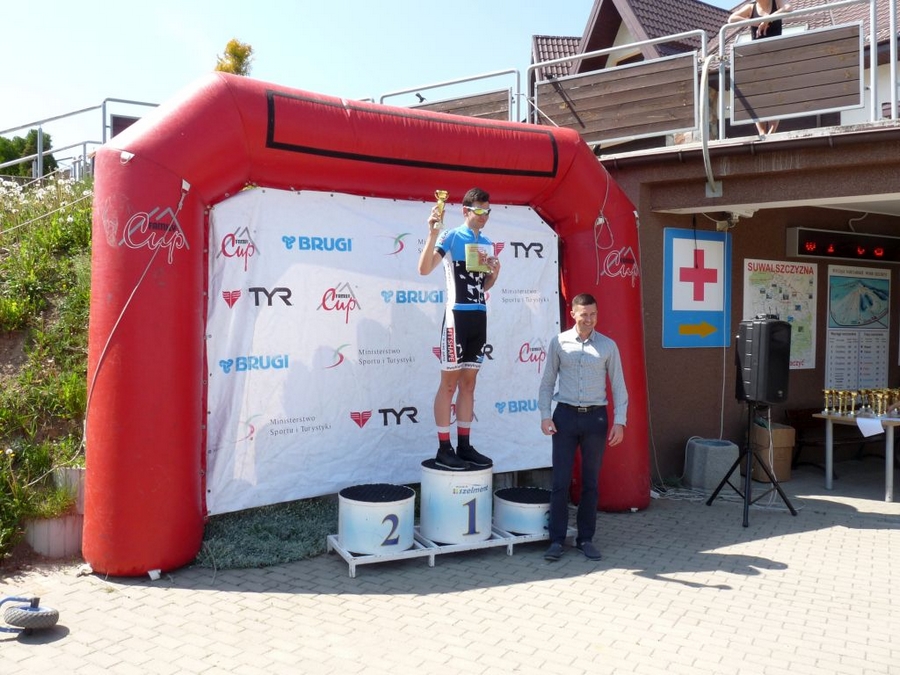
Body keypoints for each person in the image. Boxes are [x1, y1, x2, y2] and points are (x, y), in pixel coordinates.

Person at [538, 293, 627, 561]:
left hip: (595, 420)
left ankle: (585, 539)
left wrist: (620, 421)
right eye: (584, 314)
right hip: (564, 417)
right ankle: (556, 540)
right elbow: (547, 382)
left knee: (590, 482)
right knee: (560, 481)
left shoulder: (608, 346)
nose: (589, 319)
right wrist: (545, 415)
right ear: (573, 314)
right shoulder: (559, 342)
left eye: (593, 314)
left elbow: (619, 387)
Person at [417, 187, 501, 470]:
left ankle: (464, 445)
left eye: (487, 212)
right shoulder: (452, 236)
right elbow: (424, 269)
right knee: (449, 384)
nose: (484, 216)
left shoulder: (486, 242)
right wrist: (432, 234)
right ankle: (444, 448)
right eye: (479, 211)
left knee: (469, 384)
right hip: (457, 316)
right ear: (465, 211)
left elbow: (483, 286)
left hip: (479, 317)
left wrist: (495, 274)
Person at [728, 0, 792, 137]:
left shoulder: (776, 2)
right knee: (757, 94)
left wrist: (768, 19)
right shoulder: (751, 8)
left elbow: (788, 8)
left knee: (774, 93)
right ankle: (762, 132)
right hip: (757, 57)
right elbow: (731, 19)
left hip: (774, 56)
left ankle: (772, 131)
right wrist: (754, 22)